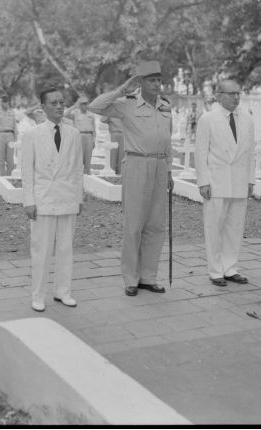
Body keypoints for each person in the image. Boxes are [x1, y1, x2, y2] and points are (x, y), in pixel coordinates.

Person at [89, 61, 174, 296]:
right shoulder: (126, 105)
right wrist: (122, 89)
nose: (157, 85)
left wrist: (168, 170)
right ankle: (131, 278)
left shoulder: (165, 107)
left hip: (159, 165)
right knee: (134, 224)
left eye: (159, 80)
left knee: (156, 225)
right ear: (141, 82)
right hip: (137, 163)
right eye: (151, 80)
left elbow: (167, 141)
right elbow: (95, 107)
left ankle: (148, 276)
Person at [21, 87, 84, 312]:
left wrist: (79, 198)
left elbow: (78, 168)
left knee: (66, 247)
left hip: (67, 196)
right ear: (43, 107)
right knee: (41, 249)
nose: (59, 106)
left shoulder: (73, 133)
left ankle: (63, 291)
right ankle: (38, 295)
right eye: (54, 103)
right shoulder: (32, 134)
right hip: (43, 198)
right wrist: (29, 200)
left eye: (61, 102)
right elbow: (27, 171)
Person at [195, 79, 255, 287]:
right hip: (216, 181)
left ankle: (230, 268)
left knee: (234, 228)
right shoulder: (208, 119)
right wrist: (203, 182)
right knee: (214, 228)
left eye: (239, 93)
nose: (236, 97)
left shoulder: (247, 119)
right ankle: (215, 271)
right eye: (231, 94)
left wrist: (251, 180)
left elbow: (250, 153)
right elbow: (201, 153)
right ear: (219, 96)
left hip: (239, 181)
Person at [64, 96, 96, 174]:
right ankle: (77, 175)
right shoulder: (75, 113)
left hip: (89, 136)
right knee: (78, 157)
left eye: (86, 104)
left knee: (88, 157)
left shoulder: (91, 115)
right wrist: (74, 106)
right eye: (83, 104)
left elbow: (94, 128)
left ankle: (87, 174)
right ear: (80, 105)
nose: (85, 105)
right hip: (79, 136)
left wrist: (94, 140)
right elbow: (64, 114)